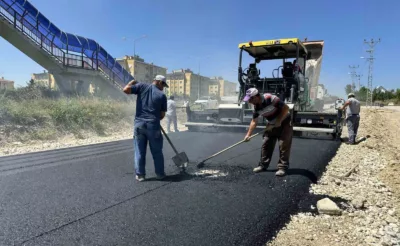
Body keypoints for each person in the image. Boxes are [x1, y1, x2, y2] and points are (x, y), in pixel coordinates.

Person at [123, 75, 169, 182]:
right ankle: (160, 174)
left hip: (139, 125)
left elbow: (126, 89)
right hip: (153, 126)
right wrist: (154, 116)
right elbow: (162, 116)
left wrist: (131, 83)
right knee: (157, 151)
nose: (163, 88)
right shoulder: (162, 96)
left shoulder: (141, 86)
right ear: (158, 82)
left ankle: (140, 175)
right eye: (163, 85)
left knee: (139, 151)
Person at [243, 88, 293, 177]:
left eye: (251, 99)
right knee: (266, 143)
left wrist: (279, 120)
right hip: (271, 124)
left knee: (283, 145)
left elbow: (286, 108)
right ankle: (263, 165)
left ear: (257, 96)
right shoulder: (256, 107)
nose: (249, 101)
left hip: (284, 121)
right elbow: (254, 121)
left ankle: (282, 168)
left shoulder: (270, 98)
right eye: (248, 99)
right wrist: (248, 135)